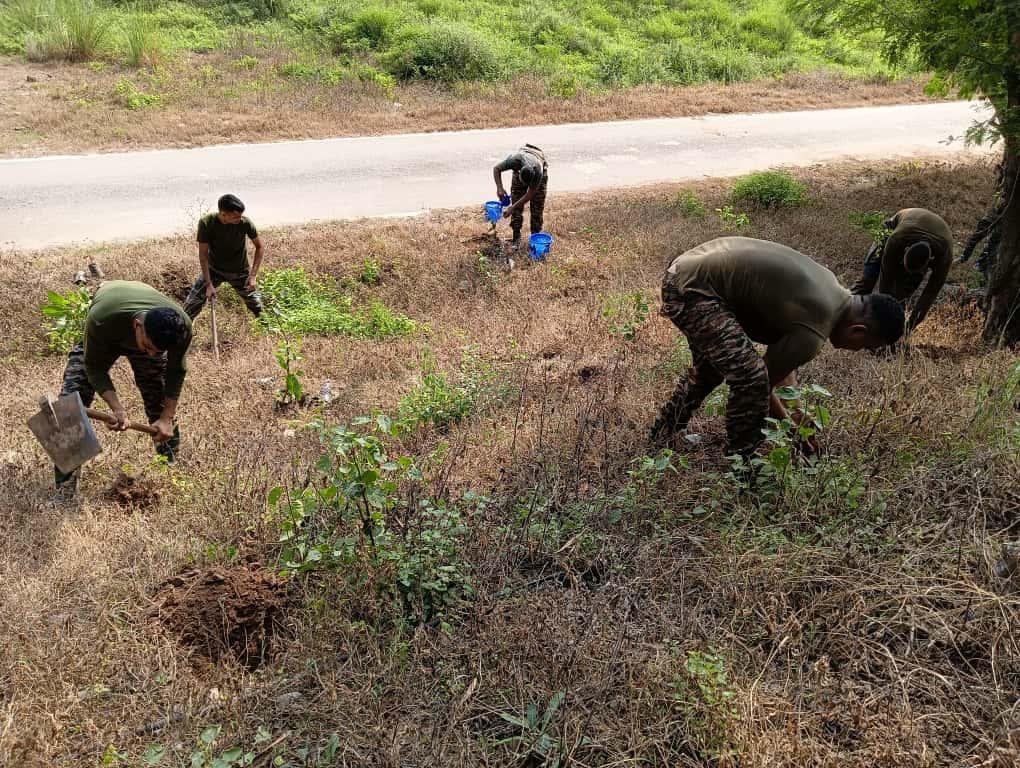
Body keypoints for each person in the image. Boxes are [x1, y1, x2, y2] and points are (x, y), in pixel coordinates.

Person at [651, 237, 904, 458]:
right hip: (696, 291)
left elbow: (783, 367)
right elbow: (764, 385)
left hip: (688, 271)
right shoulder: (816, 328)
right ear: (858, 331)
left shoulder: (834, 293)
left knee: (713, 370)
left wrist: (797, 413)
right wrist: (795, 435)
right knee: (750, 377)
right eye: (863, 347)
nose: (856, 351)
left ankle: (661, 434)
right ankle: (742, 461)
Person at [54, 280, 193, 498]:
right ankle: (65, 487)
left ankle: (170, 474)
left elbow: (176, 371)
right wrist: (117, 409)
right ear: (138, 325)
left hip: (142, 323)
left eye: (159, 352)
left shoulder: (180, 326)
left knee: (159, 400)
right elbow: (94, 368)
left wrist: (166, 417)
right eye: (148, 348)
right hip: (109, 328)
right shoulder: (102, 320)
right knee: (68, 408)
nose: (151, 356)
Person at [850, 207, 953, 334]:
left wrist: (909, 328)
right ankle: (844, 310)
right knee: (868, 279)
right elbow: (885, 280)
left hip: (930, 235)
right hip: (892, 228)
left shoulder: (944, 256)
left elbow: (929, 295)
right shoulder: (897, 239)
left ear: (930, 262)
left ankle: (892, 330)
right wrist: (884, 314)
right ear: (905, 249)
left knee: (901, 296)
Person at [183, 194, 264, 319]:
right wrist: (209, 284)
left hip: (239, 271)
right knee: (189, 307)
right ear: (223, 214)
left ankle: (267, 332)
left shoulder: (245, 223)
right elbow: (203, 255)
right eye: (235, 217)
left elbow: (260, 247)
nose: (239, 219)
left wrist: (253, 276)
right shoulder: (206, 223)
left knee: (259, 308)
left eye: (240, 215)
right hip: (214, 270)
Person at [493, 144, 548, 251]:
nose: (525, 186)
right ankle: (516, 238)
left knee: (537, 207)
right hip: (522, 160)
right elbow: (496, 169)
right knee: (516, 201)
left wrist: (512, 207)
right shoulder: (515, 160)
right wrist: (499, 188)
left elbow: (530, 194)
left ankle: (535, 239)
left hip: (538, 161)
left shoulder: (539, 171)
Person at [959, 164, 1005, 279]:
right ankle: (964, 257)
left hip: (1002, 218)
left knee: (993, 242)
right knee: (978, 237)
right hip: (994, 215)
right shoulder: (1003, 183)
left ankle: (981, 264)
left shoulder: (1008, 182)